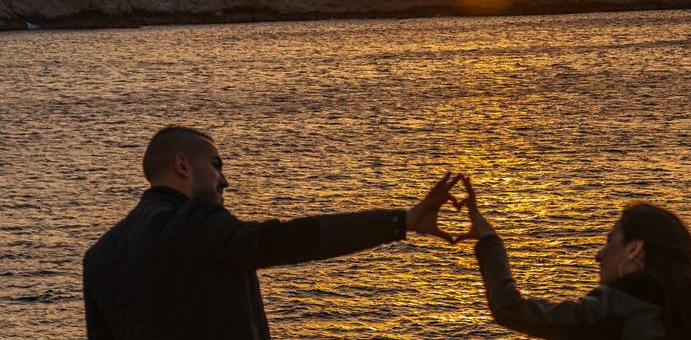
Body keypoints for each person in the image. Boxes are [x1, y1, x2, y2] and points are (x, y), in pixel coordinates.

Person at [82, 126, 461, 340]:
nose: (224, 180)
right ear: (182, 164)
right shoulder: (197, 225)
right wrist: (402, 221)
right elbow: (290, 240)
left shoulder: (99, 256)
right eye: (215, 165)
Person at [454, 177, 691, 339]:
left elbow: (510, 310)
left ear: (634, 249)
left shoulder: (612, 310)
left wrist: (489, 241)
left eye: (609, 242)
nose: (598, 256)